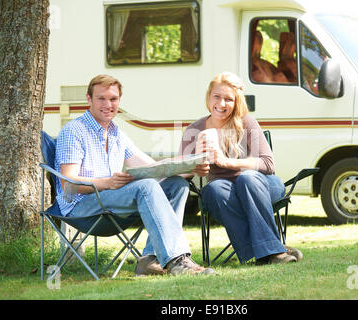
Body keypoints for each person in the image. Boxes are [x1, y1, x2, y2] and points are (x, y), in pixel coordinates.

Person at [54, 74, 215, 276]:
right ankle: (177, 261)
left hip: (109, 201)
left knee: (176, 185)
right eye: (101, 98)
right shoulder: (74, 131)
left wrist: (192, 169)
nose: (108, 104)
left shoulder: (116, 134)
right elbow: (68, 184)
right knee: (146, 186)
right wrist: (107, 183)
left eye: (113, 99)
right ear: (89, 99)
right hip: (81, 207)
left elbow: (154, 168)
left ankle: (151, 258)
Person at [180, 71, 302, 265]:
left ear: (236, 101)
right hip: (225, 191)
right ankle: (271, 251)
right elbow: (183, 169)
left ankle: (269, 250)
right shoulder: (195, 130)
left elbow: (268, 164)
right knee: (213, 189)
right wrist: (196, 166)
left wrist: (227, 162)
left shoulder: (246, 122)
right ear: (208, 96)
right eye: (217, 97)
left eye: (229, 99)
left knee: (247, 179)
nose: (221, 104)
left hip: (263, 185)